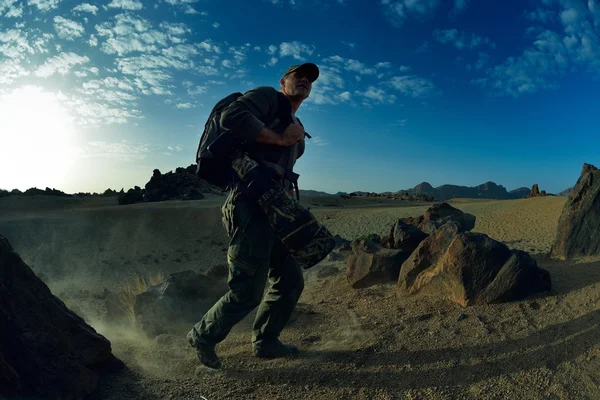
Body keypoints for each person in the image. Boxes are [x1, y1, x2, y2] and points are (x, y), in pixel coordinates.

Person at [187, 63, 320, 369]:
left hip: (276, 209)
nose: (303, 80)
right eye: (297, 75)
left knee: (289, 280)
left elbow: (279, 168)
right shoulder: (266, 98)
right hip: (248, 205)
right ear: (282, 81)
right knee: (247, 290)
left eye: (309, 79)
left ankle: (266, 341)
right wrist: (281, 139)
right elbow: (231, 117)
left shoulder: (294, 120)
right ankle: (202, 336)